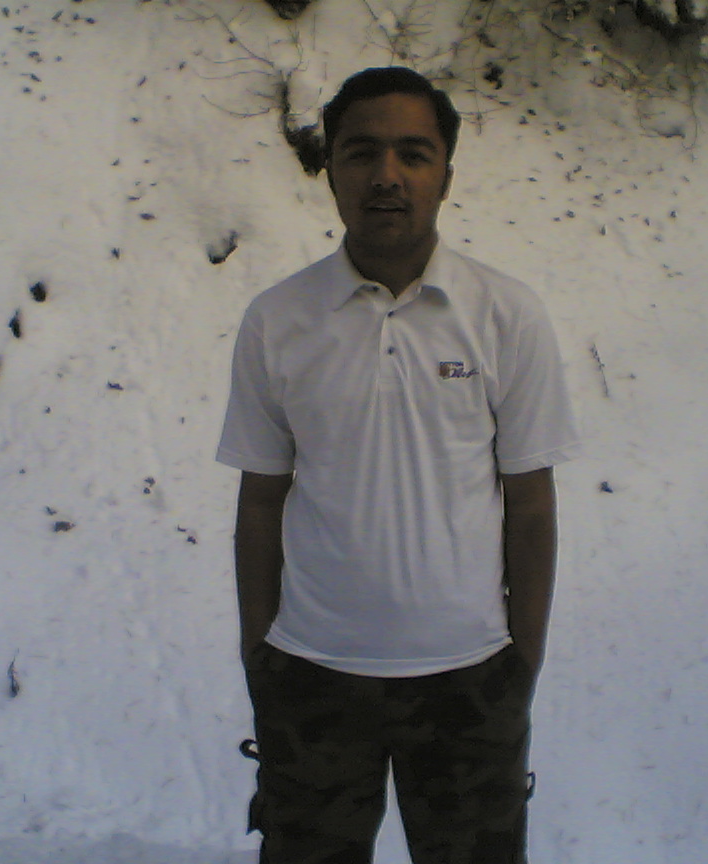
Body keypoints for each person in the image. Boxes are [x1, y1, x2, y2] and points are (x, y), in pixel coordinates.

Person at [217, 66, 581, 864]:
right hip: (311, 673)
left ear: (446, 173)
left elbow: (530, 503)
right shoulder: (278, 320)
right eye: (362, 152)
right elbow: (260, 501)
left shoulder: (505, 315)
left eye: (414, 153)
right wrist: (260, 656)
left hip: (471, 678)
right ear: (331, 169)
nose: (387, 175)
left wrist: (522, 661)